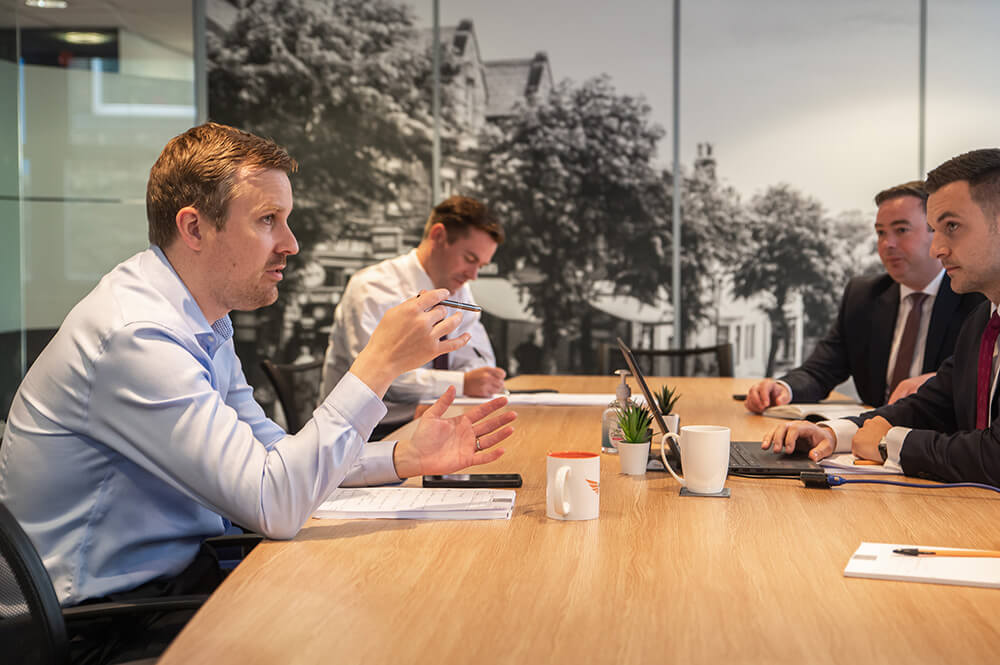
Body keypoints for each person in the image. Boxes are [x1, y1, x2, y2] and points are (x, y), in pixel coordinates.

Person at [0, 123, 517, 611]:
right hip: (116, 619)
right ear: (194, 228)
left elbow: (275, 457)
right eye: (268, 220)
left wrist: (401, 455)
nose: (290, 243)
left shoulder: (199, 321)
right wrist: (376, 365)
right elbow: (274, 503)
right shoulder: (138, 337)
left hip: (183, 580)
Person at [762, 148, 1000, 485]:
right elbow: (930, 405)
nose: (937, 248)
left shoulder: (975, 312)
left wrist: (888, 444)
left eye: (951, 227)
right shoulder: (984, 321)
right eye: (936, 230)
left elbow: (995, 456)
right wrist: (834, 433)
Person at [745, 180, 983, 413]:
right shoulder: (864, 296)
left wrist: (938, 382)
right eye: (880, 233)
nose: (887, 244)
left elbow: (980, 379)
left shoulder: (978, 299)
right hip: (871, 439)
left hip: (939, 441)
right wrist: (782, 387)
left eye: (901, 230)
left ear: (937, 233)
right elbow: (820, 371)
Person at [320, 196, 507, 430]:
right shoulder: (373, 289)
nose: (473, 275)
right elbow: (375, 376)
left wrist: (479, 379)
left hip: (422, 421)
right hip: (362, 431)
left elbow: (478, 358)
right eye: (470, 259)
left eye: (481, 266)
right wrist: (462, 383)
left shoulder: (459, 290)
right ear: (438, 236)